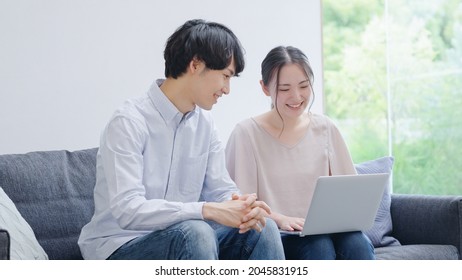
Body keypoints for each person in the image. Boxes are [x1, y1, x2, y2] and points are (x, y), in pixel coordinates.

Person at [78, 19, 284, 260]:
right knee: (195, 231)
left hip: (184, 238)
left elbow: (221, 189)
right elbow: (128, 210)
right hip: (120, 246)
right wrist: (206, 210)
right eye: (225, 76)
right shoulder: (128, 121)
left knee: (262, 228)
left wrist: (244, 207)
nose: (227, 89)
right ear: (196, 64)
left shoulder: (204, 124)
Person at [225, 46, 375, 260]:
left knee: (357, 243)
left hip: (324, 230)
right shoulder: (246, 134)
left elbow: (351, 192)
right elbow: (241, 206)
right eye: (284, 89)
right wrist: (280, 219)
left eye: (303, 86)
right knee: (318, 246)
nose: (296, 97)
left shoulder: (325, 128)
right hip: (279, 235)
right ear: (265, 88)